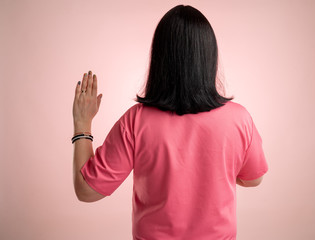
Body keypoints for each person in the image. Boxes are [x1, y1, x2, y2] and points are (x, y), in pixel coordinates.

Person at [72, 4, 268, 240]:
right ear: (209, 56)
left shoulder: (136, 120)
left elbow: (87, 191)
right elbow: (253, 178)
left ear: (160, 57)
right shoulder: (239, 118)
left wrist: (82, 125)